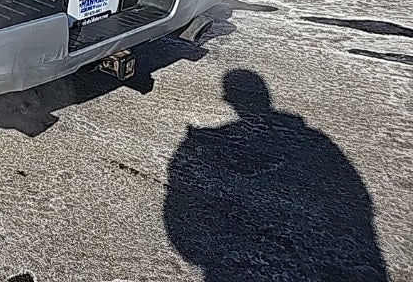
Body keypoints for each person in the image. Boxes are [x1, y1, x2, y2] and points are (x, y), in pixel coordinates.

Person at [164, 69, 387, 281]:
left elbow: (177, 206)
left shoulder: (307, 141)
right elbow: (358, 199)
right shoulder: (314, 140)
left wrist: (198, 254)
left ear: (230, 99)